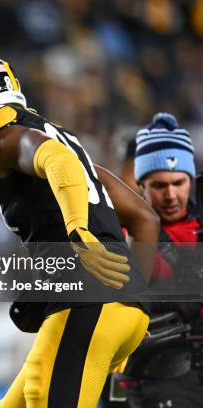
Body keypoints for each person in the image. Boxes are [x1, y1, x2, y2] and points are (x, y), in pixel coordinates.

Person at [0, 56, 160, 407]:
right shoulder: (61, 142)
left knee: (44, 395)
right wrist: (135, 297)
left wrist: (77, 229)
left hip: (87, 297)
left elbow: (56, 158)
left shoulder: (4, 138)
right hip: (120, 308)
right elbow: (145, 217)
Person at [119, 113, 203, 408]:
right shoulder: (129, 235)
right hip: (160, 382)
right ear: (140, 185)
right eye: (159, 185)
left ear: (191, 180)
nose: (170, 194)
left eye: (178, 182)